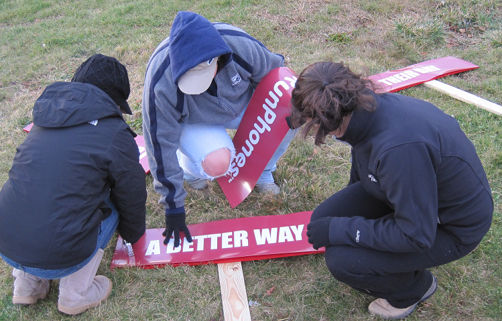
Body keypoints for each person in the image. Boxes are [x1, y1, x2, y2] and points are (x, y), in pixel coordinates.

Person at [288, 61, 493, 320]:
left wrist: (343, 230)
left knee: (342, 260)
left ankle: (413, 289)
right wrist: (346, 223)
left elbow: (416, 235)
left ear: (330, 121)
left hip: (451, 227)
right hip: (408, 192)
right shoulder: (364, 109)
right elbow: (363, 159)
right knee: (324, 220)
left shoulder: (399, 151)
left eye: (312, 125)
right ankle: (384, 257)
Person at [0, 54, 147, 315]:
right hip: (59, 251)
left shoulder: (45, 117)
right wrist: (134, 235)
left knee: (39, 192)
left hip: (7, 242)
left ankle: (26, 285)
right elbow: (131, 192)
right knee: (113, 203)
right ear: (114, 99)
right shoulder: (114, 132)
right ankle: (75, 293)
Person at [142, 11, 297, 247]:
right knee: (218, 164)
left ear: (217, 58)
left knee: (291, 113)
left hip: (240, 104)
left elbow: (277, 78)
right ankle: (191, 170)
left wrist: (289, 107)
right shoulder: (160, 82)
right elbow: (158, 143)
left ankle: (265, 171)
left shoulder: (240, 45)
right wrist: (173, 207)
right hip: (193, 120)